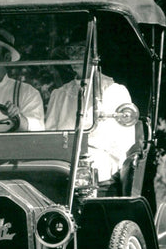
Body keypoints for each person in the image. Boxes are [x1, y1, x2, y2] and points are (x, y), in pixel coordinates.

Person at [45, 42, 135, 188]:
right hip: (62, 165)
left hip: (103, 168)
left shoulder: (115, 91)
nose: (74, 56)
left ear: (96, 55)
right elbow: (49, 135)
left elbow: (124, 142)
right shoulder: (59, 94)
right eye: (71, 51)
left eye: (80, 51)